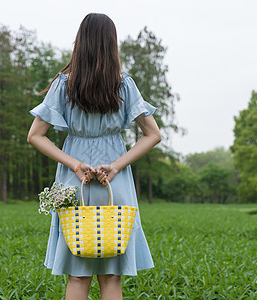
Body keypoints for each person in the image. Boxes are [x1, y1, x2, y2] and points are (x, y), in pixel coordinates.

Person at [27, 13, 161, 300]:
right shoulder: (124, 85)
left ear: (80, 42)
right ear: (112, 44)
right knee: (111, 278)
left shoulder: (64, 85)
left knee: (77, 277)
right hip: (115, 181)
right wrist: (114, 167)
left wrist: (74, 163)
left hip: (76, 182)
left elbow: (35, 135)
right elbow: (153, 135)